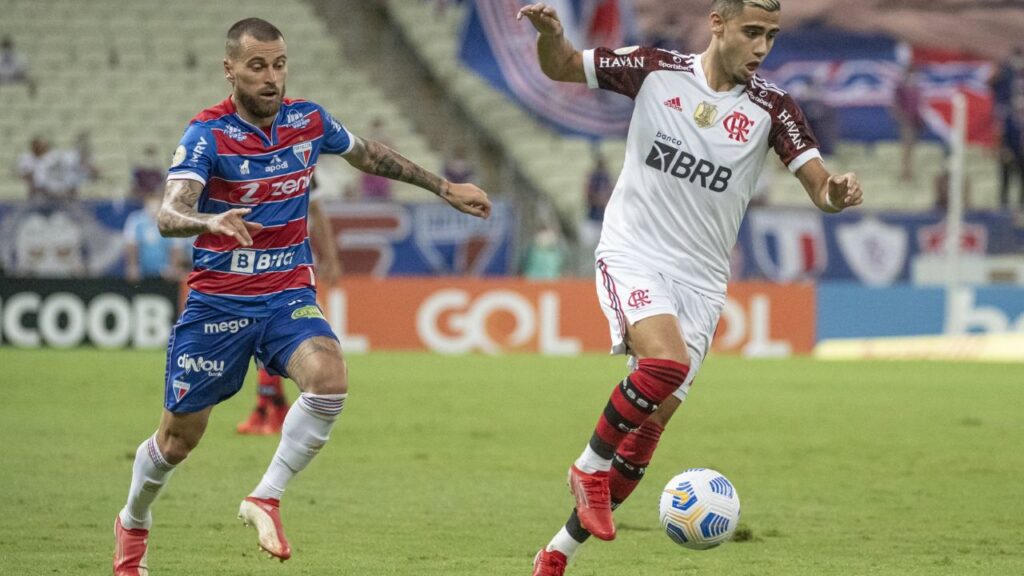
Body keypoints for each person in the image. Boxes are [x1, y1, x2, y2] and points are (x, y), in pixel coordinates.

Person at [112, 18, 490, 575]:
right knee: (176, 442)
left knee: (330, 379)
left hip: (286, 291)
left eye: (279, 64)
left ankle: (265, 497)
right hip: (219, 303)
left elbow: (368, 154)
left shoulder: (307, 120)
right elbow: (169, 212)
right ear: (230, 70)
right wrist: (209, 220)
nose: (272, 77)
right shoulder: (207, 134)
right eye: (257, 66)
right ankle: (133, 521)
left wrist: (444, 186)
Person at [515, 2, 863, 574]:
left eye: (772, 36)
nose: (762, 47)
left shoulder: (773, 108)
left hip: (702, 283)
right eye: (752, 32)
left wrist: (837, 194)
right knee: (665, 366)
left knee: (648, 429)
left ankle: (556, 554)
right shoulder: (655, 69)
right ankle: (587, 467)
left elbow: (819, 188)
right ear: (718, 23)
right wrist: (551, 36)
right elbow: (562, 67)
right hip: (634, 253)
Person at [236, 178, 342, 436]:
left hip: (293, 265)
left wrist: (330, 257)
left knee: (275, 330)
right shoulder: (248, 165)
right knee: (261, 332)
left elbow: (317, 211)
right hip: (256, 261)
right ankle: (271, 405)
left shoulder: (303, 164)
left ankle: (270, 407)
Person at [123, 192, 190, 282]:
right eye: (151, 207)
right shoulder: (135, 219)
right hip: (142, 268)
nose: (153, 211)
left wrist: (173, 266)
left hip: (164, 269)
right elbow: (131, 245)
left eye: (157, 207)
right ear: (145, 205)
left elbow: (177, 247)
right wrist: (133, 266)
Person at [990, 46, 1024, 210]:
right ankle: (1003, 203)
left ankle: (1021, 204)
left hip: (1019, 134)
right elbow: (992, 85)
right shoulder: (1006, 76)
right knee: (1005, 167)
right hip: (1009, 134)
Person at [891, 63, 924, 181]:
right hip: (906, 121)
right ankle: (905, 172)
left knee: (911, 147)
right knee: (906, 146)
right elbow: (894, 106)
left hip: (914, 121)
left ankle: (909, 171)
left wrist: (919, 119)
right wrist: (902, 118)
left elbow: (918, 106)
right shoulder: (900, 88)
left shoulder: (916, 89)